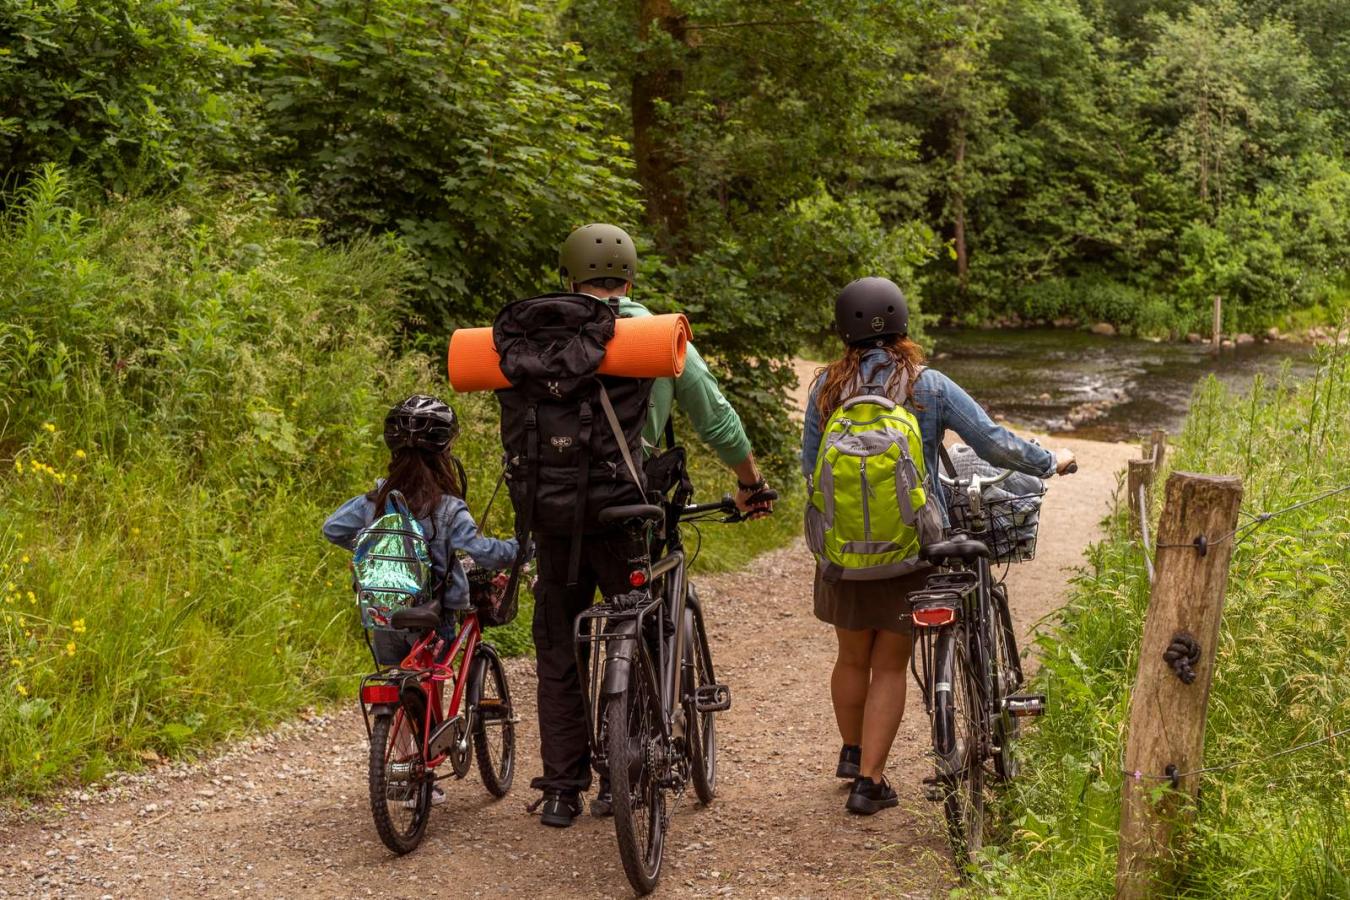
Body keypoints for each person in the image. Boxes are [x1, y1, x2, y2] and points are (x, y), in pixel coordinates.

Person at [529, 223, 775, 827]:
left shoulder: (537, 336)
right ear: (630, 280)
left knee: (559, 643)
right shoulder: (657, 335)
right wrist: (749, 482)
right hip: (630, 512)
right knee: (646, 629)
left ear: (568, 278)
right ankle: (628, 775)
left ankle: (561, 790)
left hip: (554, 513)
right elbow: (716, 419)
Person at [801, 277, 1076, 815]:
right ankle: (869, 784)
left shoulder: (826, 388)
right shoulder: (927, 386)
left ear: (843, 331)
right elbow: (993, 443)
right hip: (912, 549)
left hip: (842, 550)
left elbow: (812, 470)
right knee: (890, 664)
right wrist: (1050, 461)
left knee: (851, 657)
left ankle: (853, 754)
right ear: (902, 324)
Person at [323, 394, 519, 722]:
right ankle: (431, 739)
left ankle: (399, 740)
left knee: (397, 680)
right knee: (430, 686)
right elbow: (484, 553)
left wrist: (369, 549)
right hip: (434, 616)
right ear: (445, 453)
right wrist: (521, 548)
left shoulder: (376, 500)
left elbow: (333, 529)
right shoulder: (448, 507)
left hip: (384, 614)